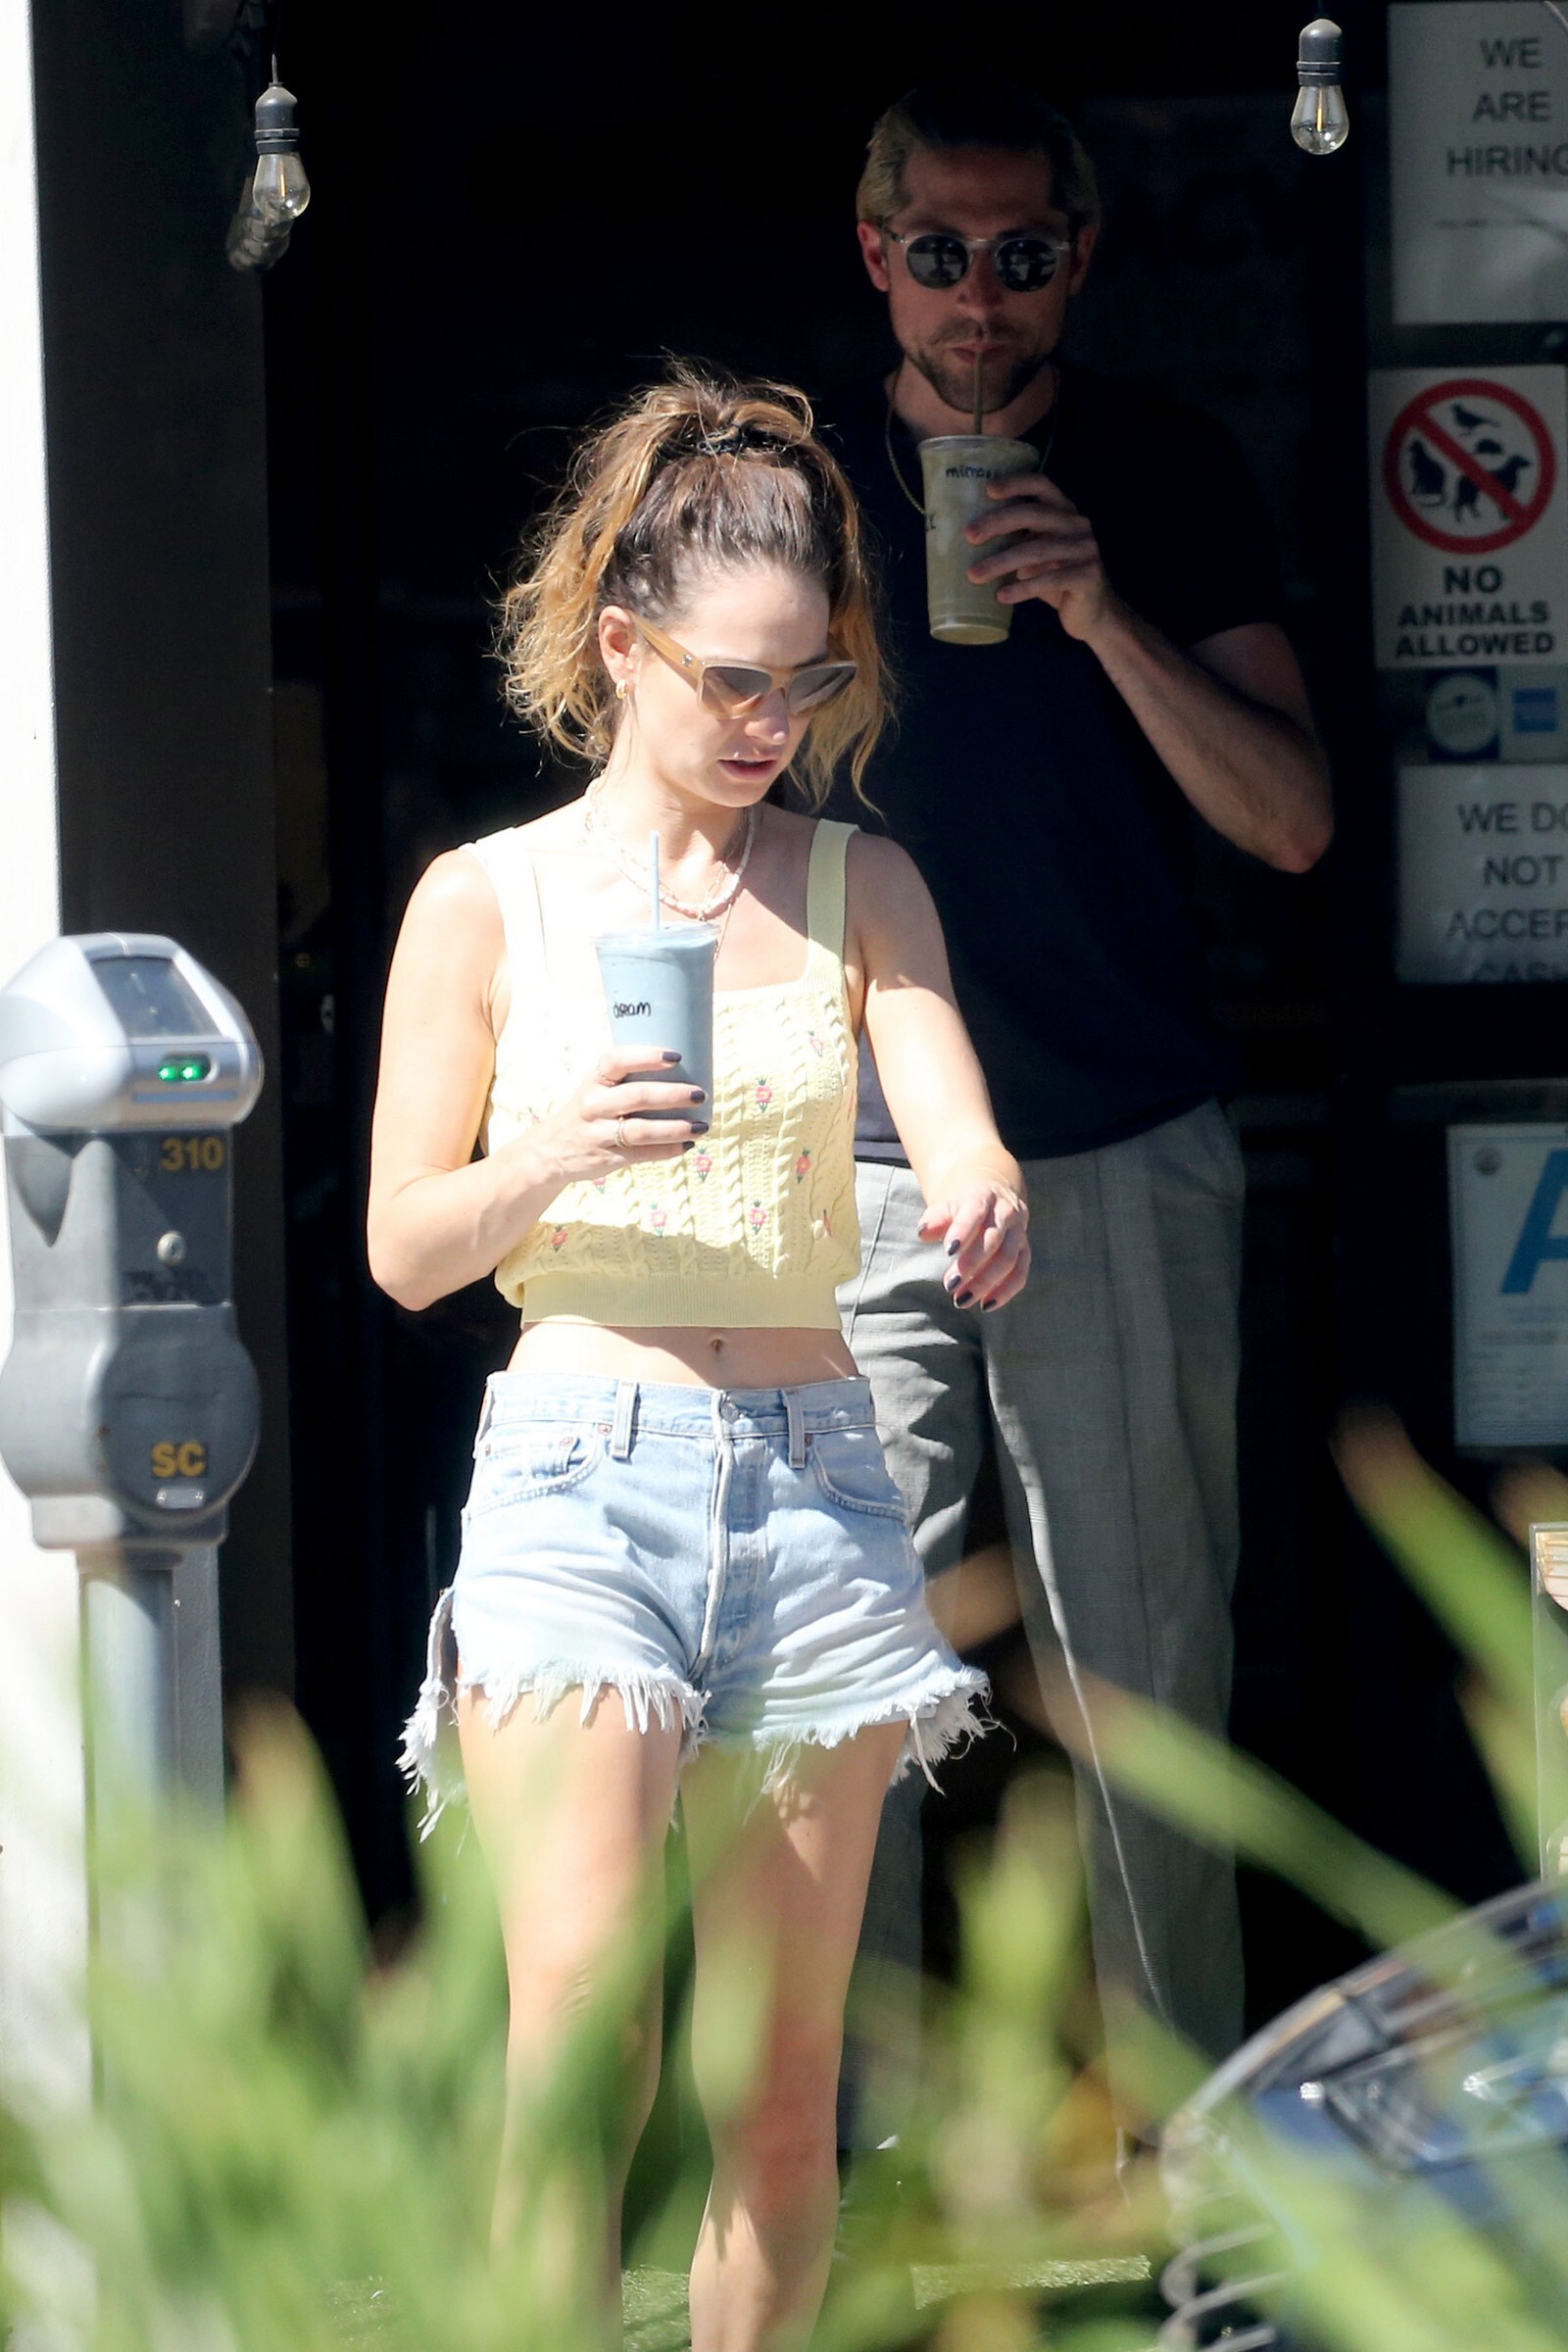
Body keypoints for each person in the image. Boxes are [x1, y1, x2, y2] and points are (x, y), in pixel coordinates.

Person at [368, 366, 1028, 2349]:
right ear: (620, 647)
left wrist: (983, 1191)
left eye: (804, 683)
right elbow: (405, 1251)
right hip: (582, 1468)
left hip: (818, 1479)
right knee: (585, 2044)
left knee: (780, 2084)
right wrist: (552, 1153)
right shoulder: (484, 903)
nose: (769, 723)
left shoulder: (858, 885)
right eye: (732, 681)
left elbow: (957, 1126)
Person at [821, 76, 1334, 2082]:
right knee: (834, 1679)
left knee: (1143, 1676)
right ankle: (838, 2173)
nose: (979, 295)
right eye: (940, 251)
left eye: (1019, 253)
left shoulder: (1161, 469)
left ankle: (1183, 2151)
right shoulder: (793, 481)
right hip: (849, 1166)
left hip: (1112, 1144)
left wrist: (1101, 606)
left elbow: (1288, 821)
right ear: (877, 255)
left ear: (1078, 261)